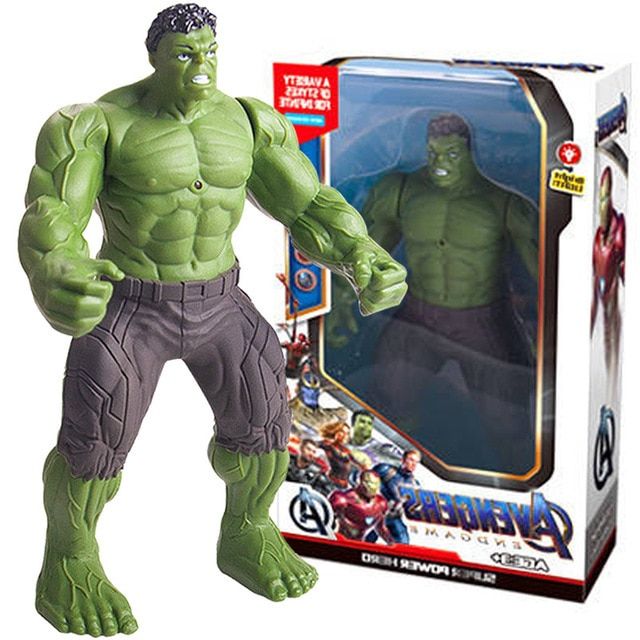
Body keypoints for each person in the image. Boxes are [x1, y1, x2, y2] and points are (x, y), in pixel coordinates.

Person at [18, 4, 407, 633]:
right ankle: (69, 559)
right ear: (154, 57)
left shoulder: (248, 120)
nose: (201, 65)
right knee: (95, 438)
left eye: (209, 51)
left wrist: (360, 254)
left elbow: (307, 203)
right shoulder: (94, 123)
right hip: (131, 305)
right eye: (184, 54)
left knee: (265, 418)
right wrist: (57, 269)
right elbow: (53, 212)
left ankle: (247, 532)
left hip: (221, 301)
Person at [330, 113, 538, 472]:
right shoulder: (402, 191)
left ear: (472, 153)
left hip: (483, 320)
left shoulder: (503, 202)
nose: (440, 162)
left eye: (451, 154)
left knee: (508, 422)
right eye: (432, 152)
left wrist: (554, 326)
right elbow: (365, 253)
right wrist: (340, 300)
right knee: (389, 401)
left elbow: (544, 272)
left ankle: (525, 494)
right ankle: (398, 478)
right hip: (418, 315)